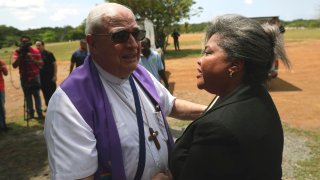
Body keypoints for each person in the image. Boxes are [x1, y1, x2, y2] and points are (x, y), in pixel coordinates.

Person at [44, 3, 206, 180]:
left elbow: (171, 105)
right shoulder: (70, 103)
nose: (133, 44)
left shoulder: (139, 72)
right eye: (120, 36)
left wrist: (216, 110)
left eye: (137, 34)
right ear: (93, 43)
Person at [169, 14, 291, 180]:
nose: (199, 60)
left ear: (235, 65)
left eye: (207, 52)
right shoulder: (256, 94)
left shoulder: (219, 128)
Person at [12, 36, 44, 120]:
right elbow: (14, 65)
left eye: (26, 42)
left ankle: (40, 113)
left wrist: (32, 59)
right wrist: (20, 56)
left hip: (35, 76)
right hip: (24, 76)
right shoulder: (18, 52)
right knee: (27, 95)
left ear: (30, 42)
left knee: (36, 95)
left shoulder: (35, 51)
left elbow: (41, 63)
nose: (25, 44)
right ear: (21, 43)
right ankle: (31, 114)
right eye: (23, 42)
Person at [35, 40, 57, 111]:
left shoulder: (49, 54)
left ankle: (56, 107)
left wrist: (55, 75)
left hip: (50, 76)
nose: (38, 47)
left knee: (52, 92)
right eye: (36, 45)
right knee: (45, 92)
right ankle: (48, 106)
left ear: (43, 45)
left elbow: (54, 64)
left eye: (39, 45)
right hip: (41, 77)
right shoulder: (36, 55)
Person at [0, 59, 8, 132]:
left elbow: (6, 73)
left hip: (0, 88)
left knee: (1, 108)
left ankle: (3, 125)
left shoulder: (1, 62)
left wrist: (3, 67)